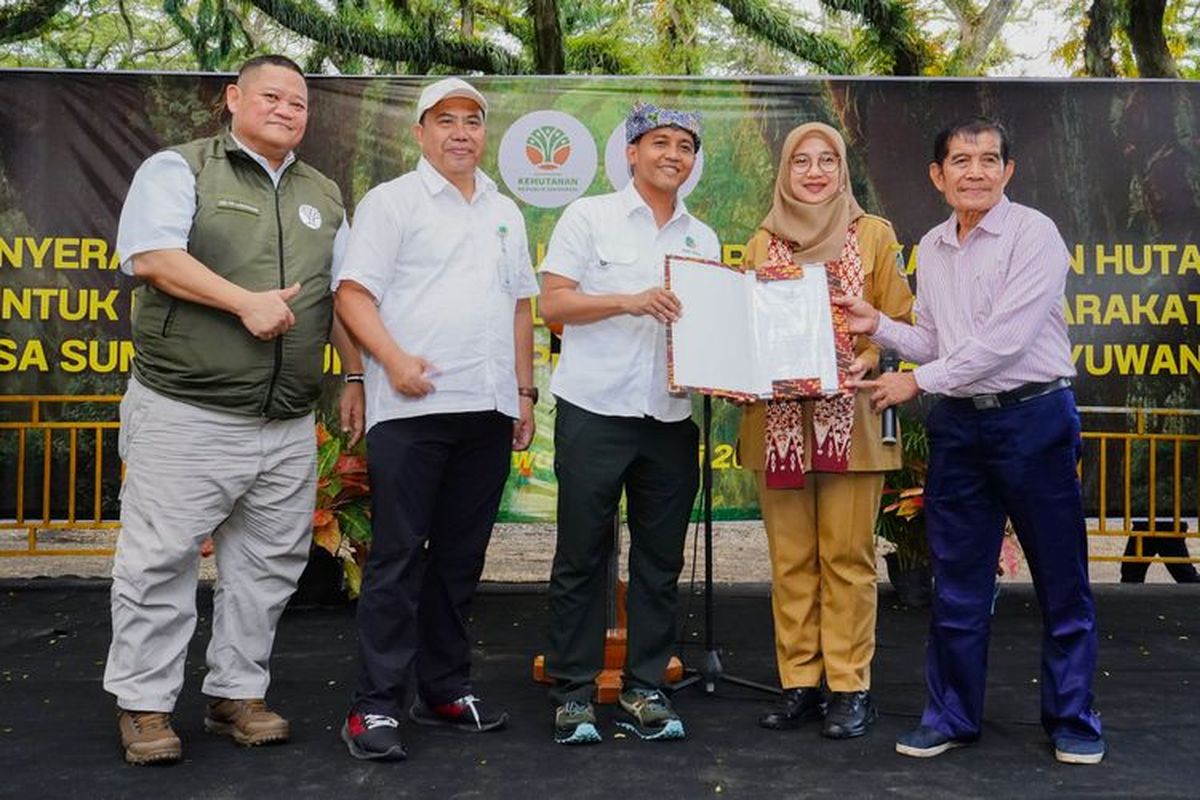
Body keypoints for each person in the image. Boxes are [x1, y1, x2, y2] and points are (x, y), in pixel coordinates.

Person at [105, 54, 364, 766]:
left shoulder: (324, 193)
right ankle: (146, 706)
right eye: (271, 96)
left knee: (269, 566)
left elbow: (340, 295)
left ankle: (235, 696)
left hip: (284, 422)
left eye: (299, 103)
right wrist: (243, 301)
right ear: (233, 99)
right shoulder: (180, 169)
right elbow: (151, 256)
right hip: (186, 409)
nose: (286, 110)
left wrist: (355, 371)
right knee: (159, 564)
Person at [838, 117, 1105, 765]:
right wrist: (884, 329)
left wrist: (914, 382)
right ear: (938, 176)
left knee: (1061, 582)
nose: (975, 172)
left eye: (989, 160)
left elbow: (1005, 341)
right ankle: (951, 716)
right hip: (959, 425)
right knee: (956, 582)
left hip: (1034, 421)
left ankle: (1073, 718)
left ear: (1008, 171)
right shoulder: (930, 245)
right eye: (961, 161)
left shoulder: (1033, 233)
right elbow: (938, 338)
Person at [334, 77, 537, 762]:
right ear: (419, 132)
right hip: (413, 409)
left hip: (489, 410)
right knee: (395, 558)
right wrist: (389, 361)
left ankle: (444, 689)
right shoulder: (391, 203)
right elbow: (353, 295)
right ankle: (374, 706)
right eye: (445, 120)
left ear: (486, 134)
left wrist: (525, 395)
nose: (460, 132)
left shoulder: (506, 211)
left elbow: (519, 307)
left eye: (473, 121)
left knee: (460, 560)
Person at [539, 102, 719, 745]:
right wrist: (628, 298)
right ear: (631, 153)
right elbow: (553, 304)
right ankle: (573, 692)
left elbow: (709, 329)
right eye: (661, 142)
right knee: (581, 556)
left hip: (670, 417)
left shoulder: (702, 237)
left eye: (686, 147)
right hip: (596, 410)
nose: (674, 155)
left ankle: (646, 688)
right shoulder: (589, 216)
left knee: (659, 562)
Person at [737, 123, 913, 739]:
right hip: (778, 424)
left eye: (827, 161)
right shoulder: (762, 243)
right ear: (785, 172)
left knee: (847, 557)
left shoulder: (874, 235)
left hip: (854, 421)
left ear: (843, 170)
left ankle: (849, 687)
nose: (814, 172)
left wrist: (869, 355)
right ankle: (800, 685)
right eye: (802, 162)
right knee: (791, 561)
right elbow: (747, 326)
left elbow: (900, 319)